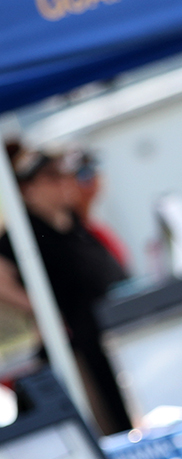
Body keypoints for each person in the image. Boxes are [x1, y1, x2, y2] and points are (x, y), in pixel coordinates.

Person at [0, 143, 132, 435]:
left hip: (112, 335)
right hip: (75, 347)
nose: (63, 184)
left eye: (63, 176)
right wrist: (43, 311)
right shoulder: (23, 233)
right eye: (51, 178)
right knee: (105, 424)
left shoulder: (74, 223)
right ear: (27, 189)